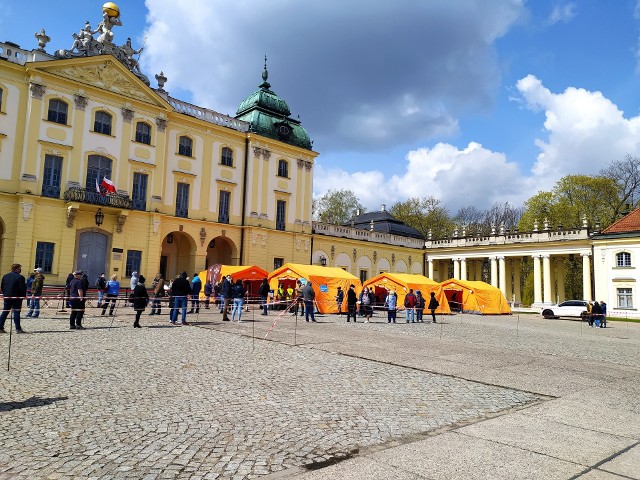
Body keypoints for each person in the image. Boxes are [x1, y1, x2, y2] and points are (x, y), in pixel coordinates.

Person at [0, 264, 27, 333]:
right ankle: (18, 329)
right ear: (17, 269)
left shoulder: (5, 276)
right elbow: (22, 288)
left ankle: (0, 327)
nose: (20, 270)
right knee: (16, 312)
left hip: (7, 297)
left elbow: (2, 286)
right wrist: (23, 297)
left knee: (5, 312)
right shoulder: (20, 277)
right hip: (17, 298)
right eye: (20, 268)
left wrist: (5, 294)